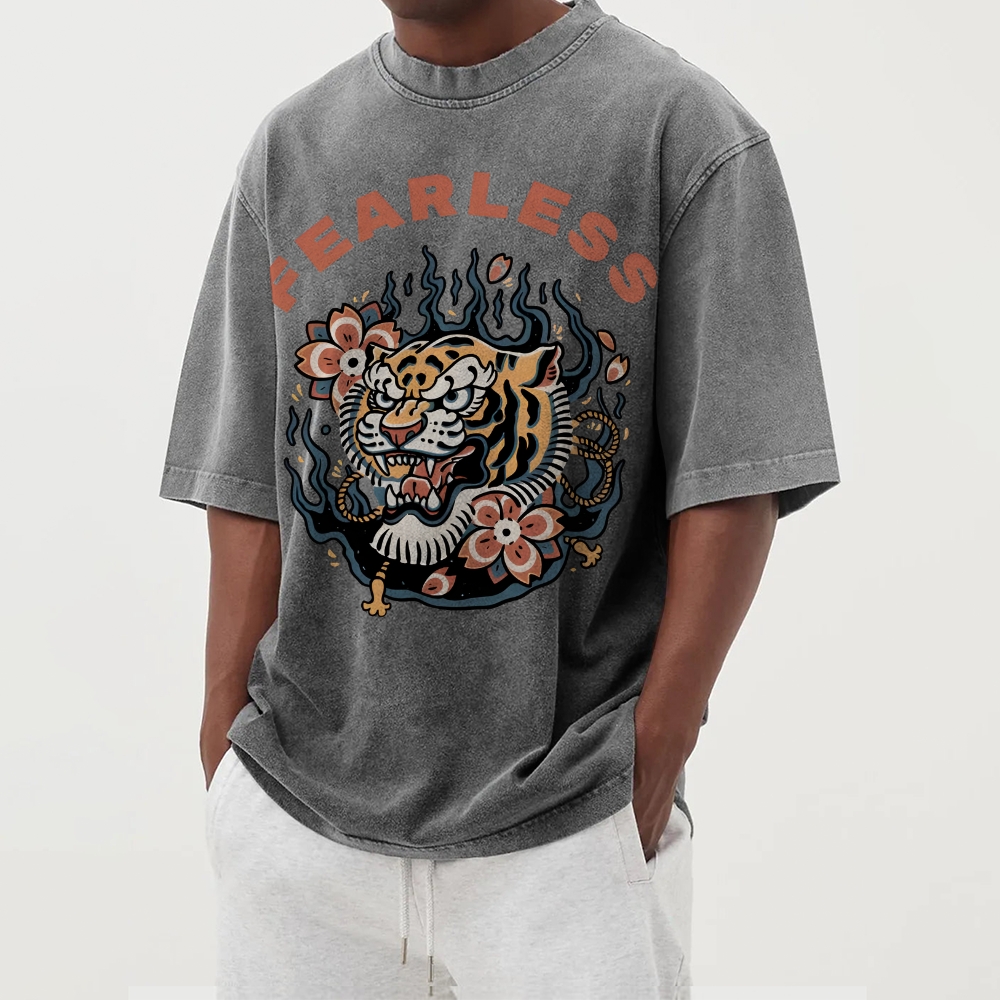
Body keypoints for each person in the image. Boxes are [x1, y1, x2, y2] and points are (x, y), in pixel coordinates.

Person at [159, 0, 839, 996]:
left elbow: (734, 466)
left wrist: (656, 747)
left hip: (569, 825)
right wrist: (227, 750)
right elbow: (248, 471)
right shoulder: (293, 146)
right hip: (298, 824)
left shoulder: (678, 128)